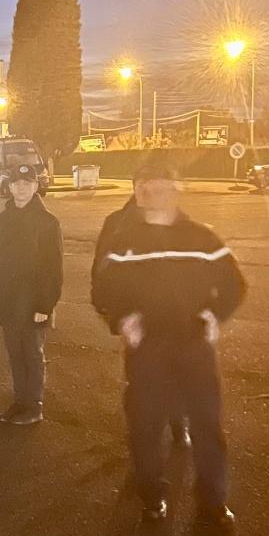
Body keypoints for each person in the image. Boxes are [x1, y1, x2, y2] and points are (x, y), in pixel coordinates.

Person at [91, 157, 246, 528]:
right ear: (138, 192)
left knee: (207, 426)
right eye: (144, 184)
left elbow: (234, 284)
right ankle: (151, 496)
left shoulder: (201, 237)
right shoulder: (124, 242)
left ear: (176, 188)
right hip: (148, 348)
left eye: (160, 183)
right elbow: (105, 289)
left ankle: (213, 502)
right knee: (145, 426)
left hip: (194, 346)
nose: (152, 191)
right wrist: (121, 318)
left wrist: (213, 315)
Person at [92, 182, 189, 446]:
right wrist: (104, 304)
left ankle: (179, 425)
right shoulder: (116, 222)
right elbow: (102, 265)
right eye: (141, 186)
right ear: (134, 188)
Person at [0, 162, 63, 424]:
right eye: (17, 182)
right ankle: (20, 401)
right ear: (10, 186)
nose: (22, 187)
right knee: (15, 354)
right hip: (7, 301)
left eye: (27, 183)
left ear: (36, 186)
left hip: (33, 303)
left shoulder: (47, 222)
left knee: (32, 354)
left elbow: (53, 268)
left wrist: (45, 305)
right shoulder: (0, 221)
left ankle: (34, 405)